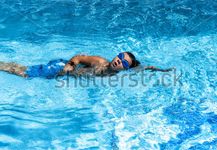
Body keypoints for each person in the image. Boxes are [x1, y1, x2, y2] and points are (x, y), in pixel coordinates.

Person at [0, 52, 174, 78]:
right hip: (61, 68)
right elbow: (79, 57)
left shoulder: (117, 72)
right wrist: (69, 66)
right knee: (24, 73)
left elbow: (143, 67)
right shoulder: (99, 62)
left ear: (125, 69)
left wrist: (163, 70)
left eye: (123, 62)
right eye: (120, 56)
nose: (118, 60)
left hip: (69, 75)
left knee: (24, 72)